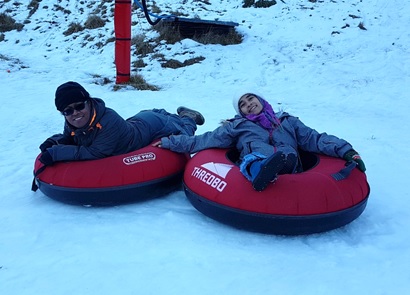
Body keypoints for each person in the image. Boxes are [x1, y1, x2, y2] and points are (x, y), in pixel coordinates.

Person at [154, 92, 366, 192]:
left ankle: (277, 166)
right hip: (255, 159)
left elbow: (315, 139)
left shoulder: (287, 122)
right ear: (240, 112)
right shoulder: (237, 126)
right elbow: (204, 140)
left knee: (286, 155)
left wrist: (346, 151)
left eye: (251, 99)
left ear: (261, 100)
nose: (248, 105)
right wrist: (171, 142)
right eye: (243, 105)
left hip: (289, 161)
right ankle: (262, 171)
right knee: (254, 158)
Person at [38, 81, 205, 166]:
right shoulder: (74, 120)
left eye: (79, 106)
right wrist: (55, 141)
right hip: (137, 122)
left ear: (88, 102)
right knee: (150, 116)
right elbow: (71, 138)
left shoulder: (108, 121)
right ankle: (160, 112)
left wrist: (57, 153)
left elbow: (95, 153)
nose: (75, 113)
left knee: (183, 131)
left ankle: (188, 116)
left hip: (152, 128)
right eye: (67, 111)